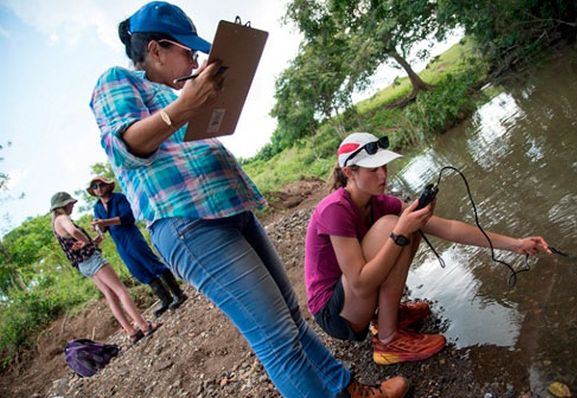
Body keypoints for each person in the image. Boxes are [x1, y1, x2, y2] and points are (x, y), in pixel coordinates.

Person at [88, 2, 409, 397]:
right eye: (187, 51)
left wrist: (202, 102)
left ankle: (350, 390)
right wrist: (185, 106)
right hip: (187, 221)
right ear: (155, 49)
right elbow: (126, 146)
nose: (194, 59)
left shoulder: (176, 92)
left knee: (290, 317)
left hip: (229, 208)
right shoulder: (118, 80)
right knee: (275, 337)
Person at [304, 132, 553, 366]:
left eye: (384, 167)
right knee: (396, 226)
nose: (383, 176)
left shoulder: (379, 203)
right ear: (350, 172)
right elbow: (359, 283)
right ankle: (388, 341)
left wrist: (516, 244)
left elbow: (450, 228)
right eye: (374, 169)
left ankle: (386, 318)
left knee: (411, 224)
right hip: (335, 314)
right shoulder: (334, 209)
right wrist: (400, 231)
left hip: (355, 300)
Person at [50, 191, 159, 344]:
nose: (72, 206)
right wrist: (85, 241)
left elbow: (77, 246)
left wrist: (94, 240)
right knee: (120, 290)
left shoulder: (55, 225)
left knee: (110, 295)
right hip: (92, 260)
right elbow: (74, 232)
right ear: (62, 205)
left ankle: (131, 332)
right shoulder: (62, 218)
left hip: (83, 265)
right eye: (70, 204)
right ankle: (144, 326)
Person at [88, 176, 187, 317]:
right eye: (95, 187)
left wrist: (105, 222)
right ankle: (165, 299)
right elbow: (104, 229)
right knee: (137, 269)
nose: (99, 188)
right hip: (119, 242)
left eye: (101, 185)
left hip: (131, 236)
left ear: (107, 185)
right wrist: (98, 226)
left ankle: (178, 293)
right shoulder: (97, 207)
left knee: (151, 263)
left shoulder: (119, 198)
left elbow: (128, 217)